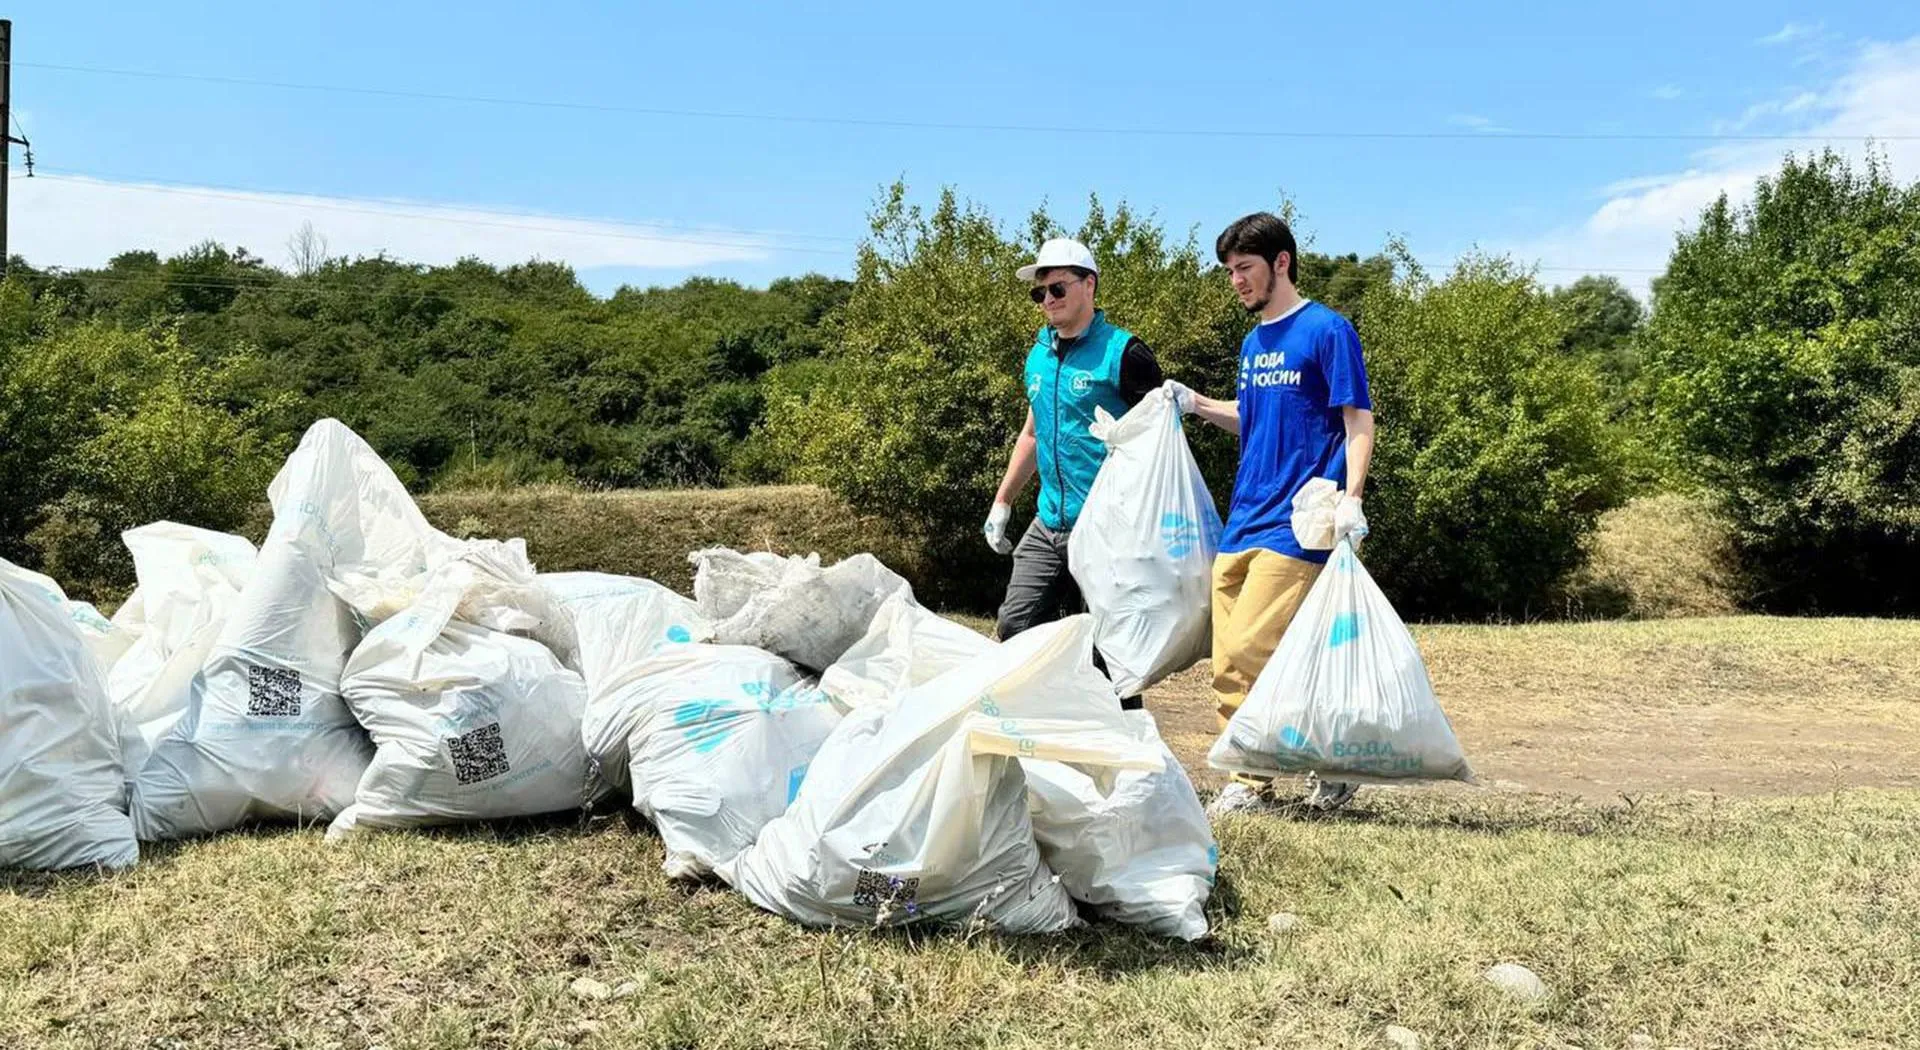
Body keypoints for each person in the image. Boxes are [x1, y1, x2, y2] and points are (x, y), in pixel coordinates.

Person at [1164, 213, 1376, 814]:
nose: (1236, 281)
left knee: (1244, 652)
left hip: (1299, 519)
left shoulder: (1327, 331)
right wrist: (1198, 403)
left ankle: (1249, 781)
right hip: (1243, 517)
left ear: (1280, 262)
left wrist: (1352, 498)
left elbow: (1357, 419)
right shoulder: (1253, 343)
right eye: (1230, 271)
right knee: (1236, 653)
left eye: (1245, 269)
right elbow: (1252, 417)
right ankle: (1327, 760)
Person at [984, 237, 1164, 708]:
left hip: (1106, 527)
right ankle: (1043, 724)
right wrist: (1003, 501)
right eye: (1039, 293)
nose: (1047, 301)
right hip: (1050, 520)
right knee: (1016, 626)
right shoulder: (1039, 354)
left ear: (1089, 285)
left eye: (1057, 289)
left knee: (1112, 649)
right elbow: (1032, 432)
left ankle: (1127, 749)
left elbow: (1164, 438)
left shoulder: (1124, 353)